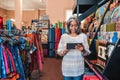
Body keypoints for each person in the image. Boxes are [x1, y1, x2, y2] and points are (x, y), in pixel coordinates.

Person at [57, 16, 91, 80]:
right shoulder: (64, 36)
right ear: (68, 26)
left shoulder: (83, 36)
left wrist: (83, 50)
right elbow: (59, 52)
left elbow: (87, 52)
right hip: (67, 68)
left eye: (76, 25)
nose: (73, 28)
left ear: (78, 26)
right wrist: (65, 51)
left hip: (78, 68)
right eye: (71, 25)